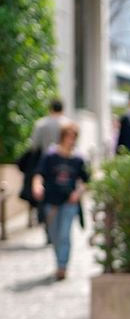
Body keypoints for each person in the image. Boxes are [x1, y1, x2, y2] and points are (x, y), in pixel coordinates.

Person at [32, 120, 90, 281]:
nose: (70, 140)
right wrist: (37, 186)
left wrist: (77, 193)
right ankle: (59, 261)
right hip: (51, 201)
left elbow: (86, 180)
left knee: (65, 234)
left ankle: (62, 266)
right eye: (68, 136)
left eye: (73, 137)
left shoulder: (78, 159)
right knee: (54, 235)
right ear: (62, 137)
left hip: (68, 202)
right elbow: (39, 173)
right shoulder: (51, 156)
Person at [30, 98, 67, 239]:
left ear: (50, 109)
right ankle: (61, 229)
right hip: (65, 166)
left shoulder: (41, 124)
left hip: (47, 165)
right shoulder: (68, 124)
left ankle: (49, 230)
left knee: (47, 198)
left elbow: (34, 146)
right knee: (63, 196)